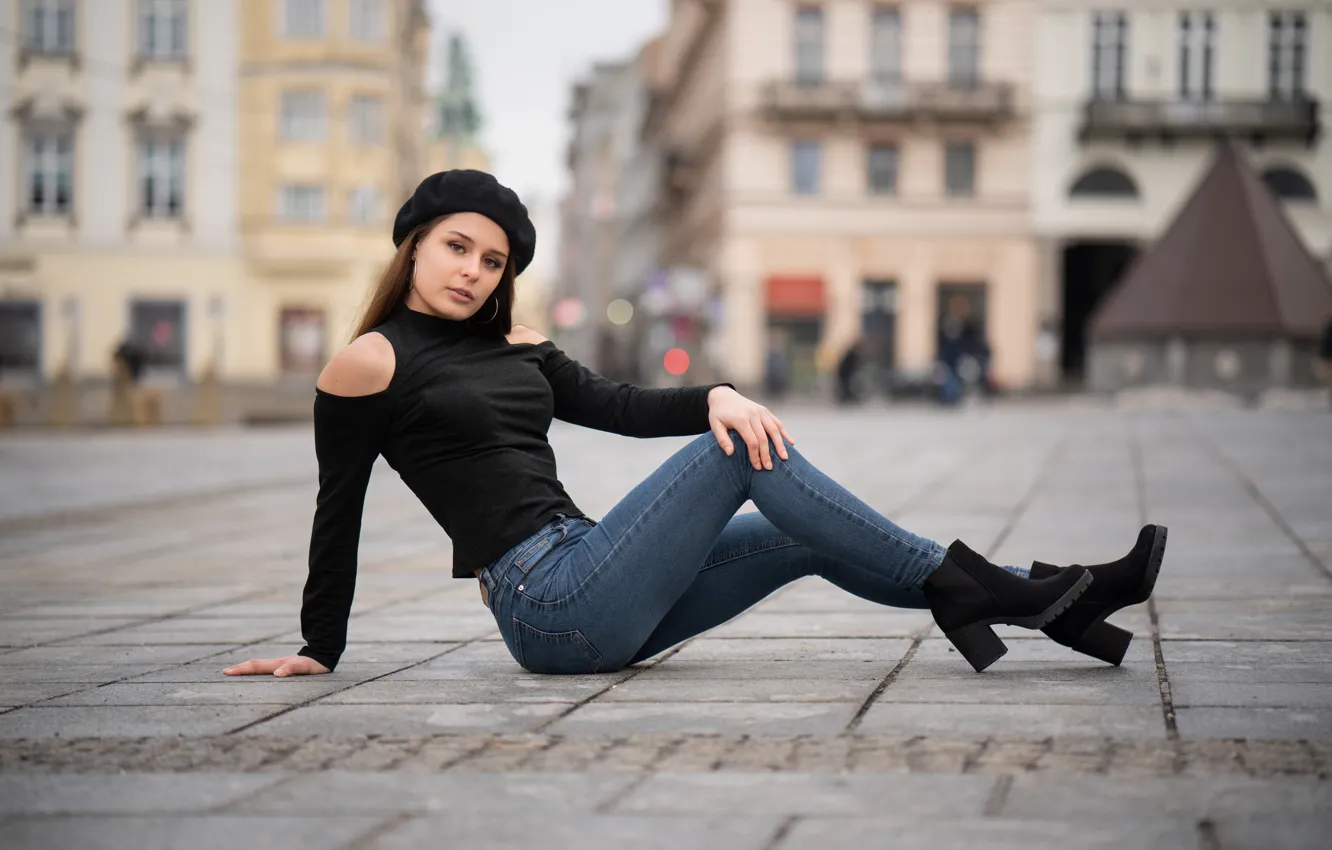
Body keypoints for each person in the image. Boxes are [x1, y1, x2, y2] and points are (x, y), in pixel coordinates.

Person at [224, 170, 1169, 680]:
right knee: (738, 454)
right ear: (414, 245)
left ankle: (1032, 602)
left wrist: (713, 390)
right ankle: (1025, 595)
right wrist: (319, 646)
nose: (472, 270)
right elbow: (337, 508)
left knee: (805, 534)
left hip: (591, 566)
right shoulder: (370, 360)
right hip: (545, 606)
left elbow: (622, 408)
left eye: (493, 259)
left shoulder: (518, 344)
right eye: (455, 247)